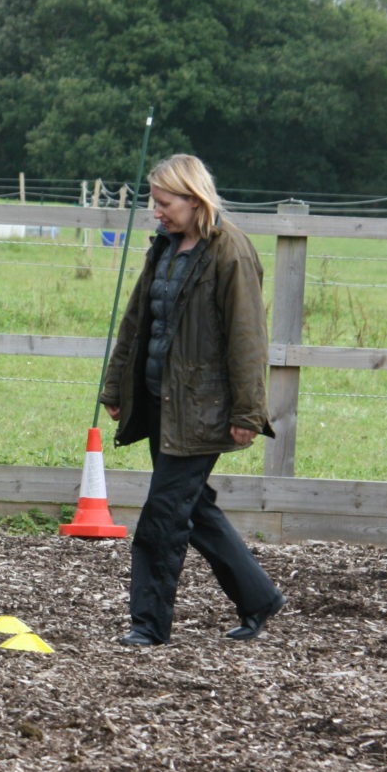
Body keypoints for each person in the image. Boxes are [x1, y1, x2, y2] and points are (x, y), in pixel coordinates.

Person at [99, 153, 286, 645]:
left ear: (193, 197)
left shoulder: (231, 253)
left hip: (203, 410)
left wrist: (249, 411)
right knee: (192, 506)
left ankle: (148, 625)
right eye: (153, 203)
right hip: (162, 403)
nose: (156, 212)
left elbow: (248, 339)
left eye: (164, 203)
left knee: (163, 516)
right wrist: (117, 386)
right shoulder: (163, 247)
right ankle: (260, 597)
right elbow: (137, 322)